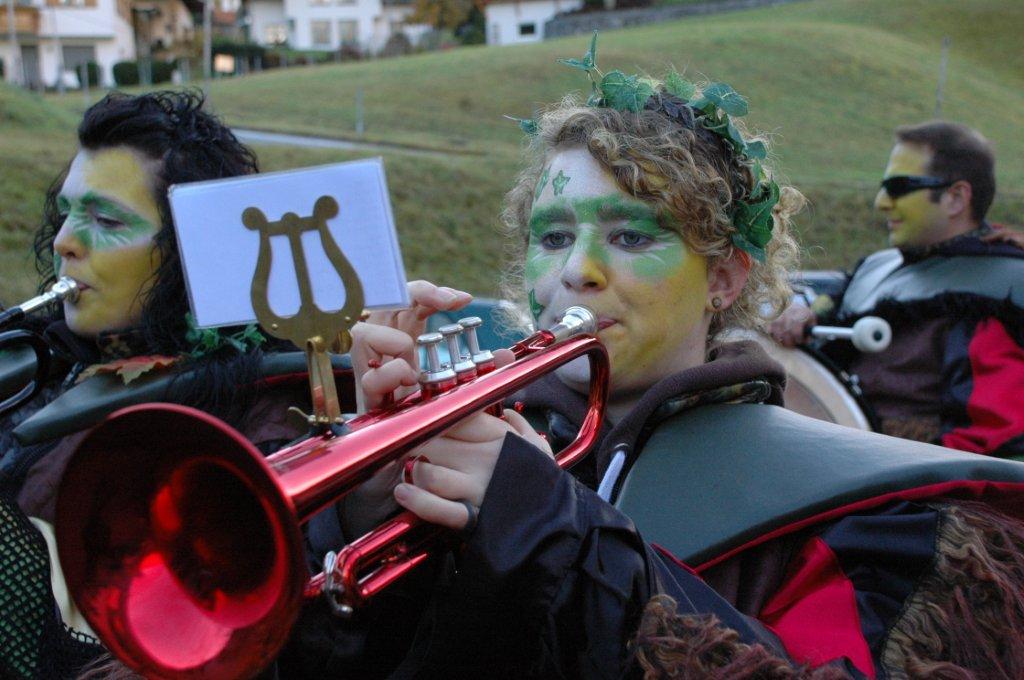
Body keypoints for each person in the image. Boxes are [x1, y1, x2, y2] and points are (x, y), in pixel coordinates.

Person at [340, 48, 1024, 679]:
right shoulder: (487, 433)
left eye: (630, 236)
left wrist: (558, 538)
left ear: (723, 278)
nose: (575, 270)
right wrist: (364, 509)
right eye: (551, 237)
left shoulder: (849, 517)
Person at [0, 90, 478, 680]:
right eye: (67, 213)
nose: (64, 242)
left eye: (106, 220)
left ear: (186, 254)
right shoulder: (37, 358)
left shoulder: (263, 416)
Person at [770, 122, 1024, 456]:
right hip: (839, 456)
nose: (881, 203)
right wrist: (801, 315)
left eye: (899, 187)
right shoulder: (879, 267)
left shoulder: (998, 292)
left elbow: (986, 449)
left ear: (956, 197)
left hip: (902, 478)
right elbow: (828, 315)